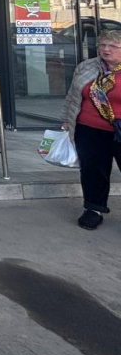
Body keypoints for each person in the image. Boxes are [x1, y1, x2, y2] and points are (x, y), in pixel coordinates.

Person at [61, 30, 121, 230]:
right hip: (89, 129)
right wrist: (66, 120)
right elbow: (72, 96)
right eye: (102, 45)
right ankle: (93, 209)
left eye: (113, 46)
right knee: (92, 170)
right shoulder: (87, 67)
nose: (106, 49)